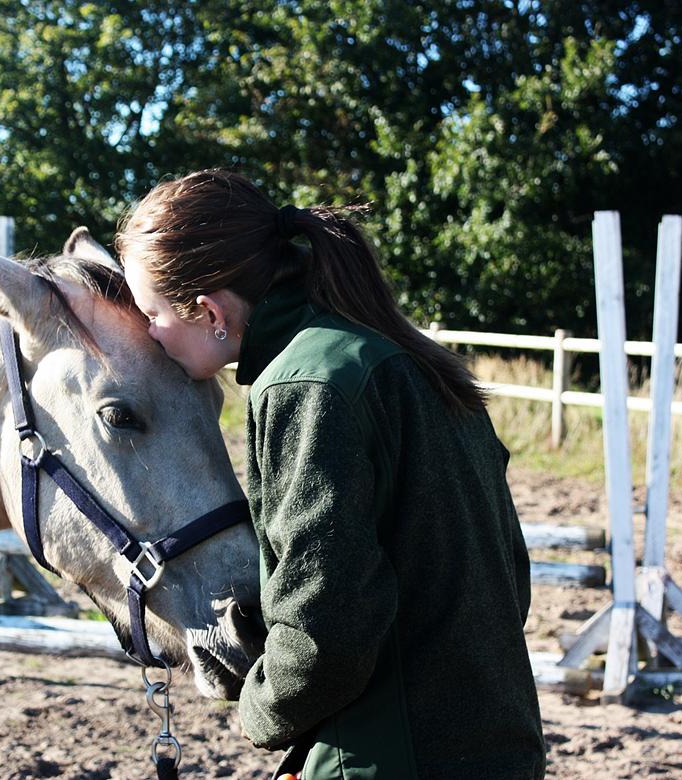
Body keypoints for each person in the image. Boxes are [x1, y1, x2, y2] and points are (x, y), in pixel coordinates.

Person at [116, 169, 546, 780]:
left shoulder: (304, 386)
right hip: (501, 744)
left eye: (152, 313)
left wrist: (260, 709)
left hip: (386, 761)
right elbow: (510, 576)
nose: (150, 335)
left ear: (209, 310)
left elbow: (326, 630)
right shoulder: (409, 360)